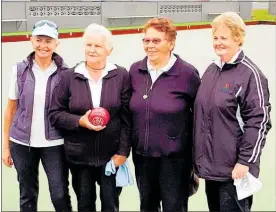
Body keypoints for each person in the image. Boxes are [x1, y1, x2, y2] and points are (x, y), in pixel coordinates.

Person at [49, 23, 132, 212]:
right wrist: (79, 121)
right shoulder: (69, 77)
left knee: (110, 206)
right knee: (85, 205)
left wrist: (122, 153)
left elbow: (127, 119)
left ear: (109, 50)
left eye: (98, 46)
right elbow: (55, 114)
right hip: (79, 157)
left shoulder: (121, 75)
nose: (92, 50)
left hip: (111, 156)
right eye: (88, 45)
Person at [194, 12, 272, 212]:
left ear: (238, 38)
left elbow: (259, 122)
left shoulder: (250, 75)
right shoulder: (211, 70)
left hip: (236, 171)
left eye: (224, 38)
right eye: (215, 37)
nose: (218, 43)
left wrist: (245, 162)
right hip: (212, 169)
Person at [129, 17, 201, 212]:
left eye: (156, 41)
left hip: (175, 160)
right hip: (143, 157)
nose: (150, 45)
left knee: (174, 207)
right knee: (147, 206)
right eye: (146, 40)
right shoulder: (135, 70)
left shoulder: (187, 73)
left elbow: (200, 116)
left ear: (171, 43)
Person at [2, 20, 72, 212]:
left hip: (55, 144)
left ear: (57, 43)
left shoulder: (66, 73)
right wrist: (6, 147)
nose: (43, 45)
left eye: (48, 40)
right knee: (27, 195)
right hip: (22, 144)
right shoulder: (19, 70)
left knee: (59, 195)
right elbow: (10, 109)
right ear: (31, 41)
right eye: (39, 40)